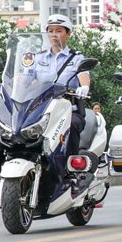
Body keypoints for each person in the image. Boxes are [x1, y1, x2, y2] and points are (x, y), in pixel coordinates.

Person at [32, 14, 89, 157]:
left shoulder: (76, 58)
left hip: (68, 109)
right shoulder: (38, 58)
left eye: (58, 30)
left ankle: (70, 167)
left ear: (68, 33)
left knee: (73, 124)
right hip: (41, 109)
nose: (54, 34)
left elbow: (84, 76)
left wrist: (84, 87)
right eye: (50, 31)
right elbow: (24, 78)